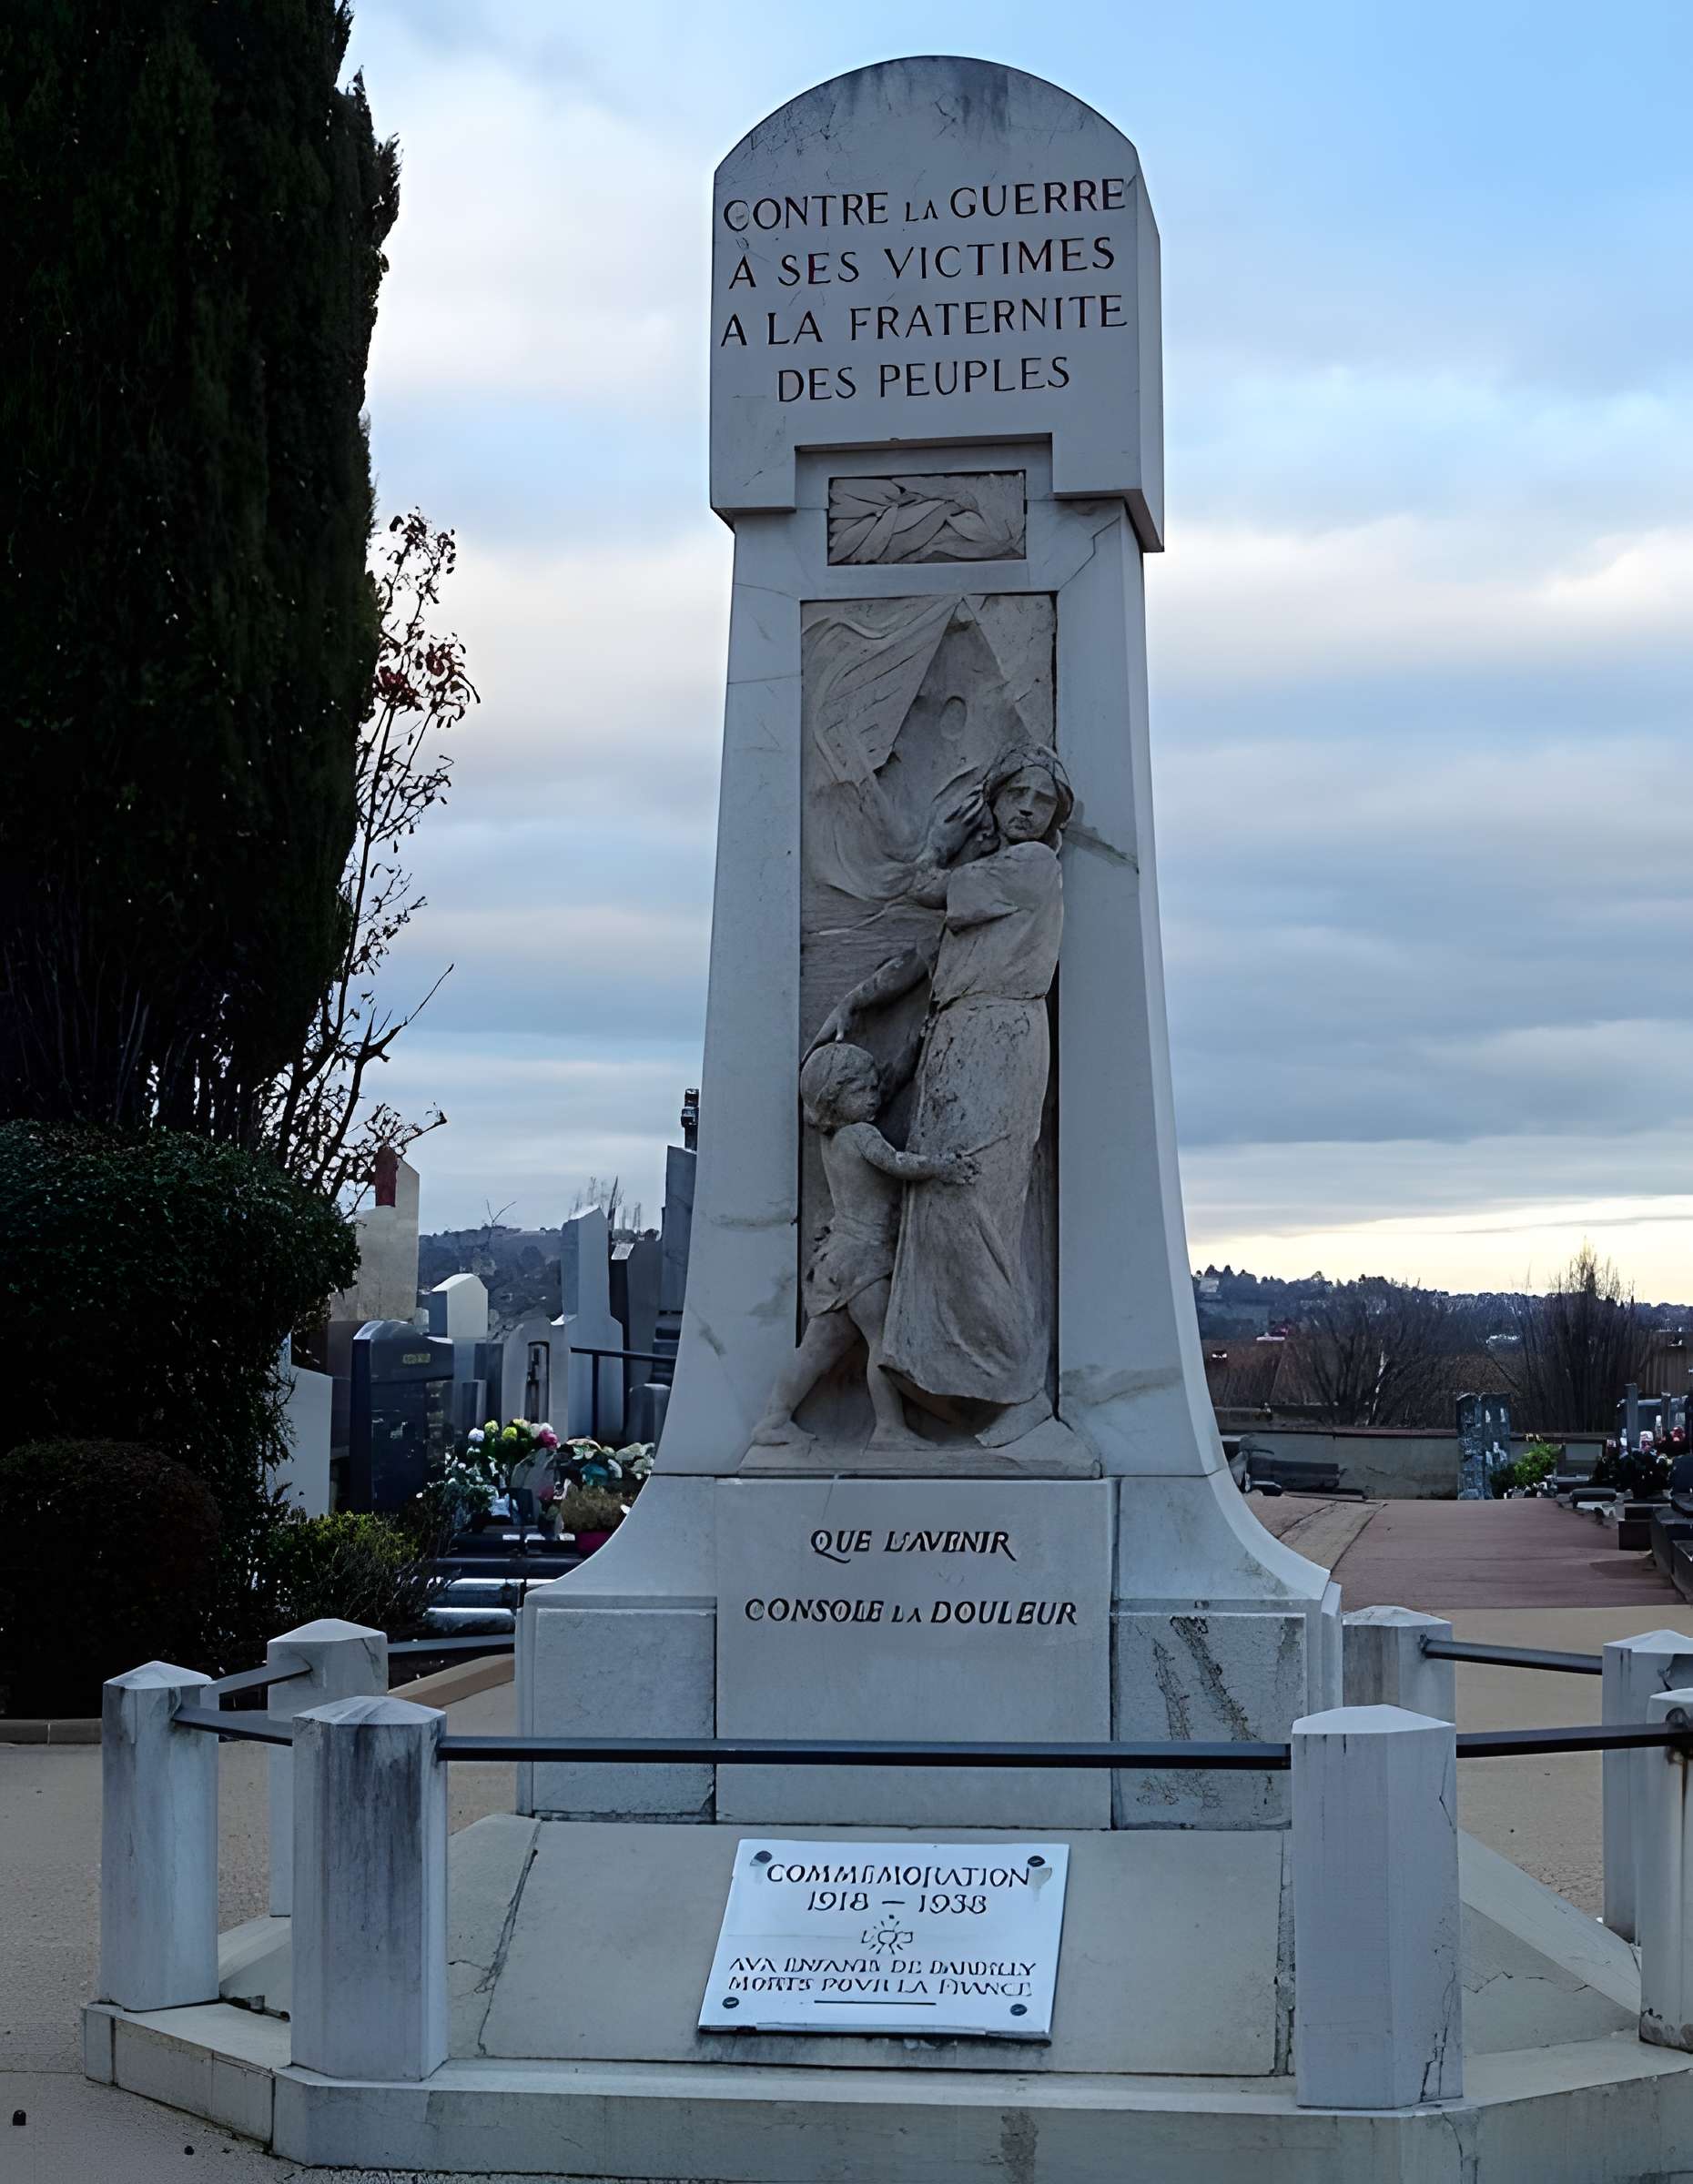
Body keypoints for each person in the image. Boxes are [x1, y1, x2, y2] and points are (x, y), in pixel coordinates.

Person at [814, 743, 1071, 1427]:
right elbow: (925, 957)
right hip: (959, 1041)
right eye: (1017, 794)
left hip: (997, 1042)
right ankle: (947, 1377)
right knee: (942, 1217)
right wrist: (857, 1003)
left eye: (1041, 801)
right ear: (995, 796)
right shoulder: (996, 876)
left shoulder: (1032, 865)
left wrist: (936, 846)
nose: (1027, 810)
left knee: (973, 1216)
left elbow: (930, 892)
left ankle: (1010, 1388)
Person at [748, 1040, 974, 1451]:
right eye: (862, 1091)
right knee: (884, 1345)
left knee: (817, 1350)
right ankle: (889, 1428)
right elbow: (899, 1164)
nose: (873, 1097)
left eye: (873, 1088)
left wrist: (914, 1048)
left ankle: (773, 1419)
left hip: (837, 1259)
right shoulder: (863, 1135)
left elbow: (887, 1087)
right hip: (865, 1261)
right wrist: (944, 1167)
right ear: (834, 1098)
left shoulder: (832, 1139)